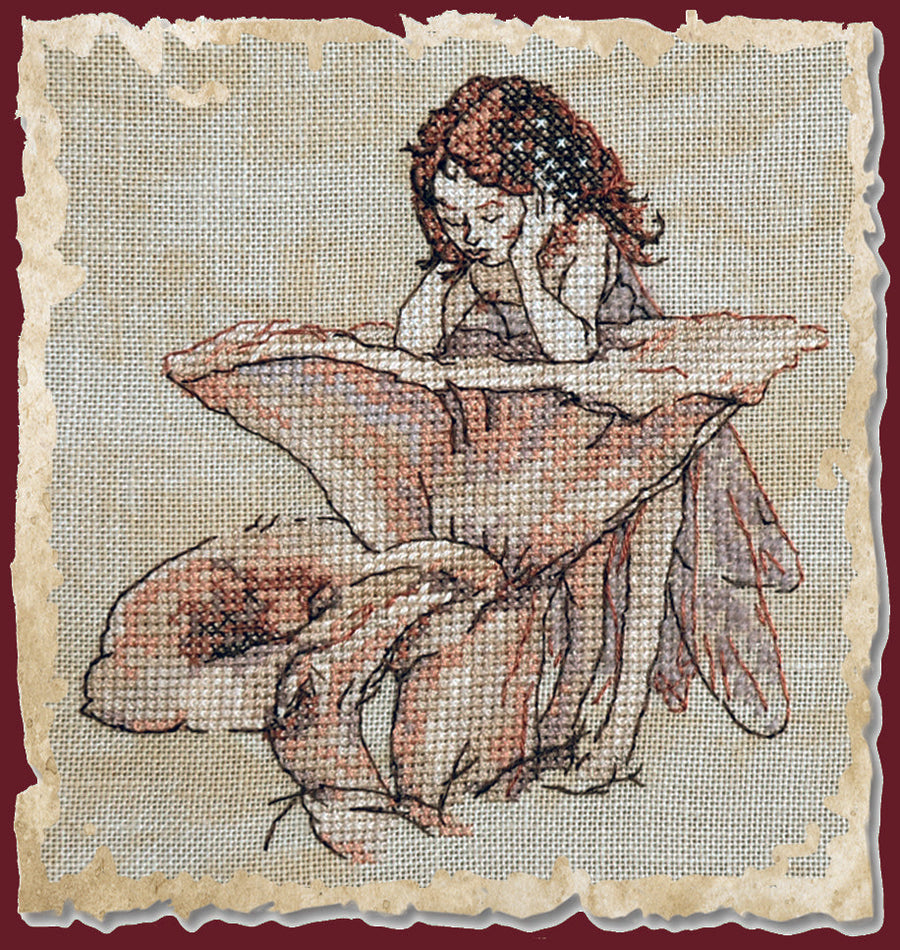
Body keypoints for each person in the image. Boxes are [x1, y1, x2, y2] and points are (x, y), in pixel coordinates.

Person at [84, 76, 823, 862]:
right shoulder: (468, 259)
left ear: (544, 192)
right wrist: (444, 280)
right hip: (497, 467)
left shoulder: (580, 243)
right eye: (452, 215)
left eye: (491, 214)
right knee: (466, 589)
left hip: (597, 446)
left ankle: (576, 743)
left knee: (568, 598)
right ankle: (401, 760)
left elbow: (572, 349)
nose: (470, 233)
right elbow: (414, 352)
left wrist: (529, 270)